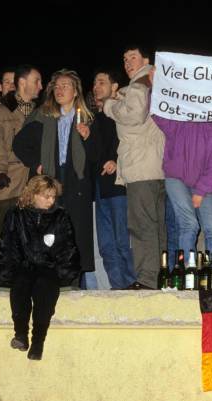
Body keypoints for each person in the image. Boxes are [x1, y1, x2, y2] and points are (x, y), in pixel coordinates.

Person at [13, 69, 95, 281]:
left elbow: (98, 157)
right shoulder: (43, 115)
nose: (60, 90)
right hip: (51, 183)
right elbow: (19, 144)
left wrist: (88, 138)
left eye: (65, 85)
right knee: (50, 233)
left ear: (76, 91)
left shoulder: (88, 118)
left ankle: (74, 284)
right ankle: (49, 283)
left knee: (74, 236)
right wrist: (36, 164)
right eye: (57, 86)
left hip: (77, 183)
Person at [102, 45, 166, 289]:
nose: (128, 62)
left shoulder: (141, 83)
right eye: (125, 58)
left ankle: (147, 279)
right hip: (156, 165)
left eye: (133, 57)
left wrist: (109, 105)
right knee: (157, 225)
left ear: (146, 60)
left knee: (142, 225)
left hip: (141, 165)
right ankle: (160, 276)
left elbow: (134, 115)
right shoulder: (151, 82)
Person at [0, 175, 80, 360]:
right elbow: (8, 245)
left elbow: (67, 248)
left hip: (48, 267)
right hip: (24, 266)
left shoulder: (60, 216)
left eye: (53, 196)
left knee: (45, 289)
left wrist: (64, 274)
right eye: (46, 196)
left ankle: (38, 342)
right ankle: (20, 335)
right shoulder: (16, 214)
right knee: (20, 285)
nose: (51, 201)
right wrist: (8, 272)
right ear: (33, 194)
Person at [0, 65, 42, 286]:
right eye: (36, 80)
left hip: (34, 185)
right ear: (22, 83)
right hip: (8, 181)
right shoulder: (2, 111)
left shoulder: (41, 111)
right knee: (3, 239)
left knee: (32, 238)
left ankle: (27, 283)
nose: (41, 85)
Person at [153, 116, 212, 257]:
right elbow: (162, 117)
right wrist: (155, 94)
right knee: (189, 225)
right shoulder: (188, 113)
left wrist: (201, 191)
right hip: (177, 176)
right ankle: (188, 272)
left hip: (204, 181)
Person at [89, 68, 135, 289]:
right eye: (95, 83)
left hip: (119, 185)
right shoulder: (92, 118)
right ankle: (118, 289)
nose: (97, 87)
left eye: (102, 82)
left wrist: (118, 161)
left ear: (114, 87)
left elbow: (132, 142)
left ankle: (132, 286)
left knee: (122, 241)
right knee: (106, 244)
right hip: (98, 187)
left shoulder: (122, 113)